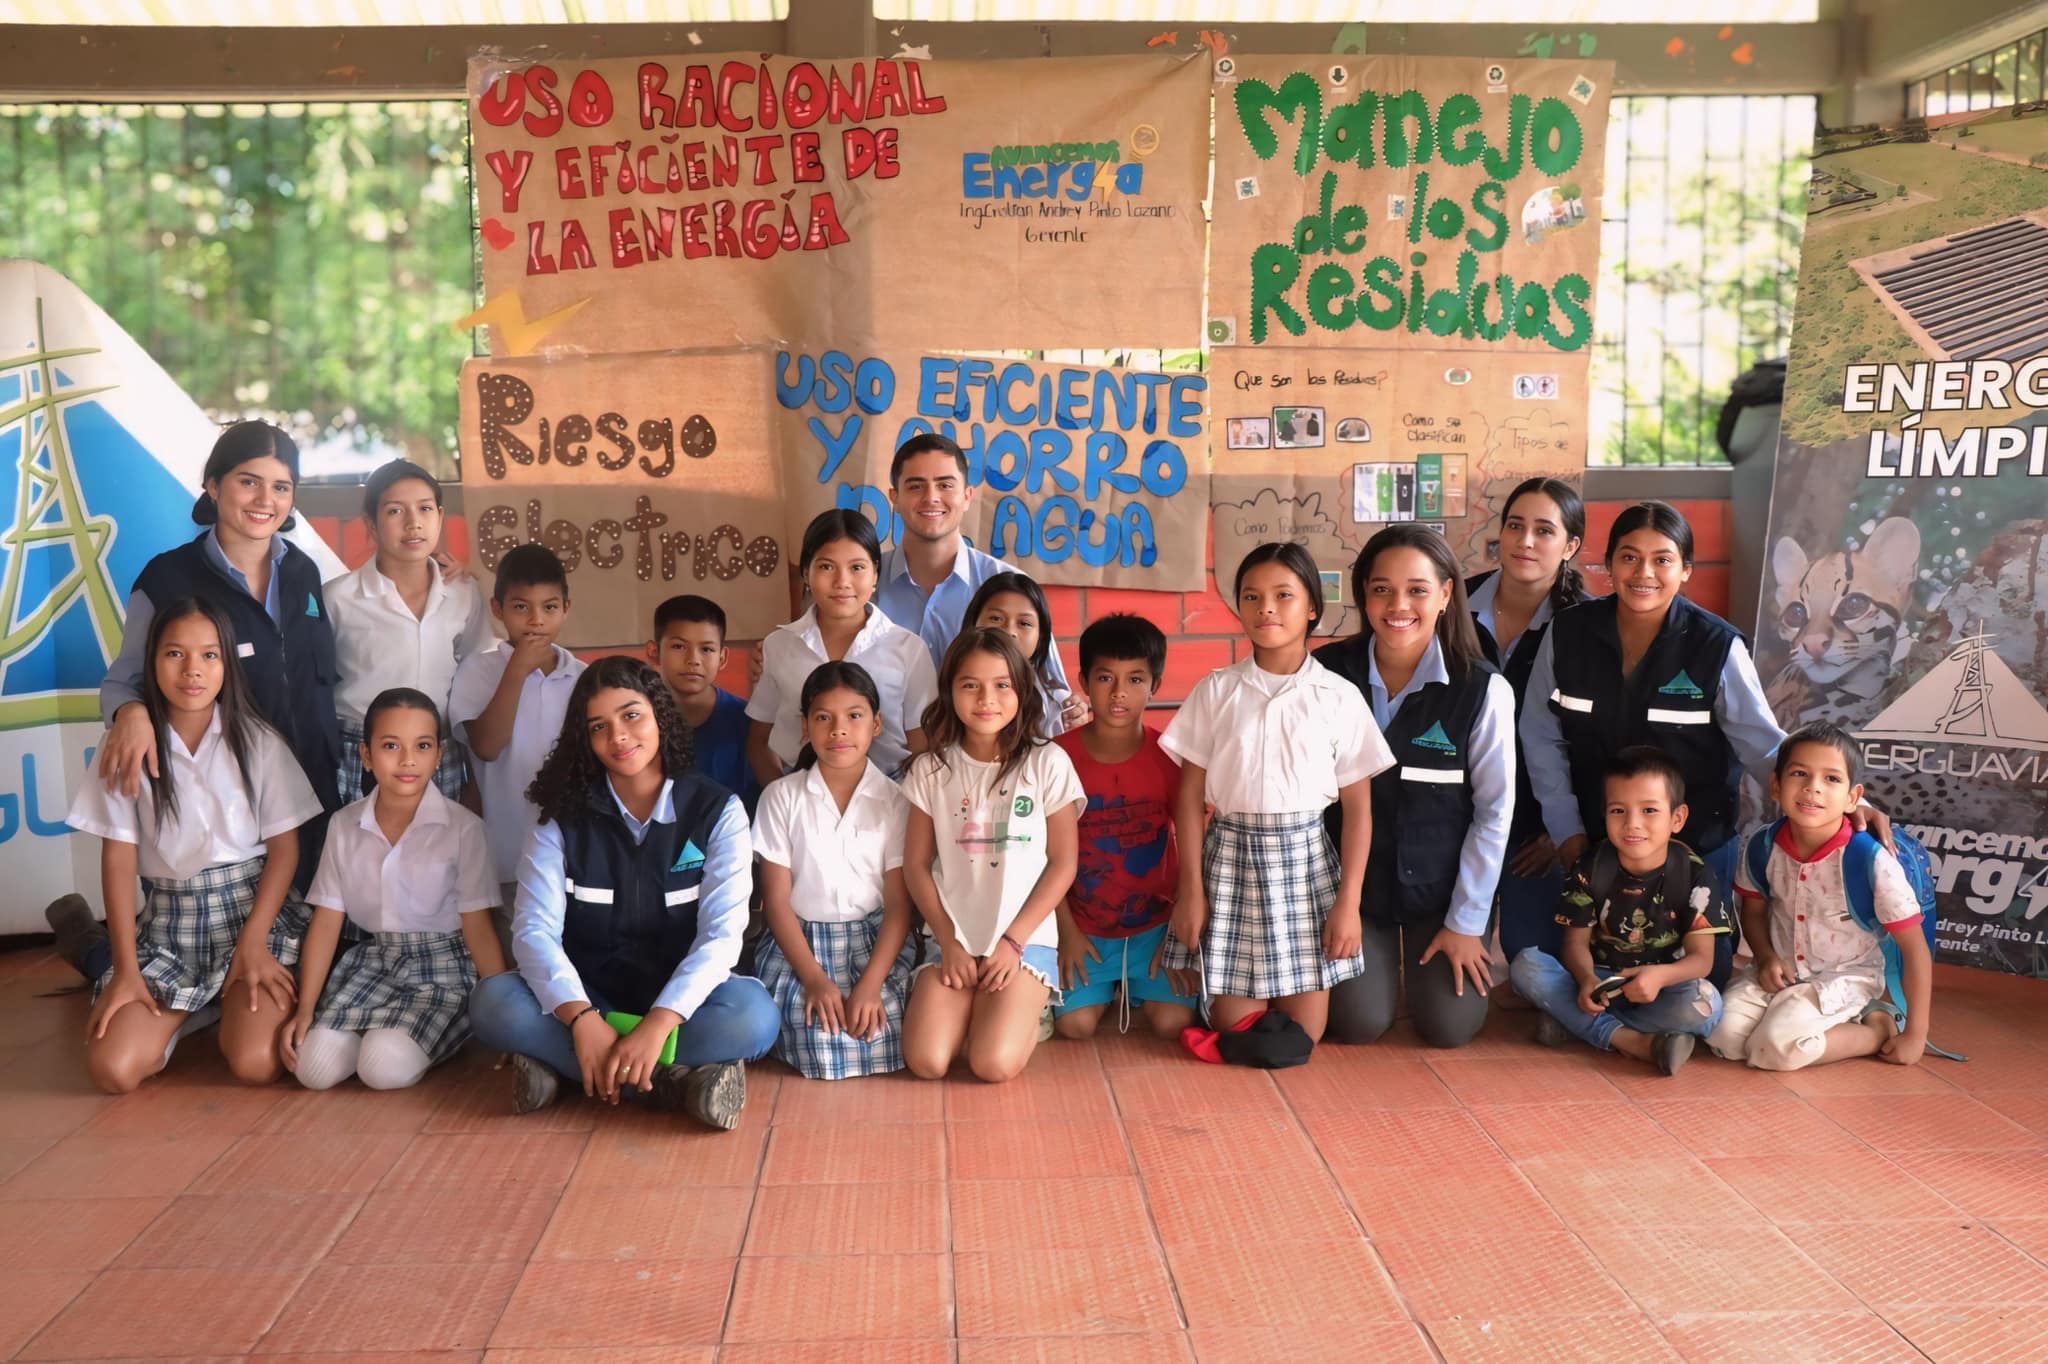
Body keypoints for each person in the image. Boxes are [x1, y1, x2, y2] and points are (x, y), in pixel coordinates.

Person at [1521, 500, 1891, 983]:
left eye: (1663, 560)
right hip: (1598, 840)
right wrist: (1567, 829)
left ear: (1686, 570)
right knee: (1545, 962)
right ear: (1607, 565)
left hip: (1693, 849)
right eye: (1629, 557)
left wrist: (1836, 807)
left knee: (1705, 980)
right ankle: (1607, 1010)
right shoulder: (1567, 634)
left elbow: (1763, 748)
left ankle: (1606, 1018)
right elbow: (1538, 734)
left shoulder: (1715, 646)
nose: (1644, 573)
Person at [467, 656, 777, 1128]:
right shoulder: (559, 818)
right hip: (589, 997)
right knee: (494, 1004)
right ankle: (674, 1081)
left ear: (659, 715)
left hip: (680, 1009)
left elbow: (721, 937)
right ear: (585, 739)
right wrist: (582, 1019)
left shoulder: (716, 810)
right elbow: (533, 931)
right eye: (599, 726)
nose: (618, 737)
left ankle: (578, 1072)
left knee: (753, 1017)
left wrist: (657, 1024)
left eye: (631, 715)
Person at [64, 598, 325, 1093]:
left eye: (209, 656)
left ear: (227, 663)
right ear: (151, 662)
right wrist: (125, 971)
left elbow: (285, 852)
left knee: (256, 1064)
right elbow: (118, 860)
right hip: (169, 929)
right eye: (174, 654)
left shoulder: (257, 740)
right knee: (113, 1071)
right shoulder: (126, 746)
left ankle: (217, 1006)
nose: (193, 671)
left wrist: (253, 942)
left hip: (253, 918)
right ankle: (185, 1009)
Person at [84, 420, 343, 897]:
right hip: (226, 799)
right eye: (249, 482)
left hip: (314, 780)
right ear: (214, 485)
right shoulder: (167, 578)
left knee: (312, 938)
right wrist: (131, 711)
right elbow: (125, 680)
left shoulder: (304, 571)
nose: (266, 500)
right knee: (229, 938)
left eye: (281, 487)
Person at [1162, 542, 1393, 1045]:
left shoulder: (1338, 696)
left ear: (1312, 607)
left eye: (1283, 595)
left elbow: (1358, 811)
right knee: (1237, 1028)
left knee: (1302, 1036)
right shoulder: (1216, 691)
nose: (1266, 607)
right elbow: (1188, 799)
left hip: (1306, 868)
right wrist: (1191, 892)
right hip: (1230, 863)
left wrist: (1348, 903)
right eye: (1251, 596)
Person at [1317, 526, 1516, 1049]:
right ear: (1364, 594)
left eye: (1417, 590)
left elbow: (1493, 815)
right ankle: (1378, 974)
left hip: (1441, 894)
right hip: (1355, 893)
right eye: (1381, 589)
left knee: (1450, 1027)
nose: (1397, 605)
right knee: (1357, 1025)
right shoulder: (1327, 675)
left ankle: (1424, 962)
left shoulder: (1482, 690)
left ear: (1447, 594)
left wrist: (1467, 922)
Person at [284, 688, 506, 1091]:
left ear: (439, 756)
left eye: (422, 746)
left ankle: (451, 1029)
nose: (407, 760)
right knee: (312, 1071)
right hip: (375, 963)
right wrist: (305, 1010)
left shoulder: (463, 829)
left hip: (443, 971)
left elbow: (478, 928)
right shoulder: (344, 825)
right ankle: (382, 1034)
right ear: (366, 756)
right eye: (390, 746)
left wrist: (502, 1014)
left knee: (381, 1068)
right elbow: (327, 921)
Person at [901, 629, 1083, 1083]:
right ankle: (978, 1008)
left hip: (1022, 943)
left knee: (992, 1065)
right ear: (950, 691)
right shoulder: (931, 769)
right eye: (970, 685)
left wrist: (1014, 942)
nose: (987, 698)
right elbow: (916, 866)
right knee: (926, 1062)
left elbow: (1063, 862)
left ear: (1022, 690)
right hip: (954, 940)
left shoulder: (1048, 762)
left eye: (1002, 684)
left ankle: (1016, 1008)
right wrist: (947, 940)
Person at [1709, 722, 1933, 1070]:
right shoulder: (1761, 846)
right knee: (1722, 1037)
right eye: (1800, 774)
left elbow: (1914, 948)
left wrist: (1916, 1035)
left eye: (1831, 779)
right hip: (1779, 972)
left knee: (1778, 1049)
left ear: (1853, 798)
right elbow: (1753, 913)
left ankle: (1877, 1028)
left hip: (1845, 976)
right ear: (1776, 785)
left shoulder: (1869, 860)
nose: (1813, 788)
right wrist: (1766, 958)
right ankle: (1792, 1017)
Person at [1509, 747, 1731, 1075]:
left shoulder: (1695, 875)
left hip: (1660, 988)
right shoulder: (1590, 868)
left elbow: (1702, 960)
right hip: (1602, 984)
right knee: (1526, 967)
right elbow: (1575, 944)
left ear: (1677, 818)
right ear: (1605, 815)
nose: (1632, 824)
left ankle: (1574, 1022)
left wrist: (1660, 976)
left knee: (1706, 1008)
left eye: (1650, 810)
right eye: (1618, 811)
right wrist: (1585, 980)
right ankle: (1632, 1040)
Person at [753, 661, 918, 1079]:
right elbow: (775, 902)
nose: (838, 730)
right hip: (800, 943)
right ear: (805, 727)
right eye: (823, 718)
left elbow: (899, 907)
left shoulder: (896, 801)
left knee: (881, 1017)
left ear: (876, 725)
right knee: (819, 1027)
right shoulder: (780, 797)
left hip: (873, 942)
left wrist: (870, 986)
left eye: (854, 717)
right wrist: (814, 979)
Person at [1051, 615, 1197, 1040]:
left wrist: (1181, 931)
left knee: (1173, 1023)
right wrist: (1066, 932)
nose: (1119, 693)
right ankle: (1111, 985)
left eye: (1135, 679)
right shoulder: (1057, 760)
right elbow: (1045, 856)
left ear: (1155, 684)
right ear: (1083, 681)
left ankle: (1132, 986)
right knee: (1076, 1027)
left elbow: (1191, 844)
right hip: (1084, 927)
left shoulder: (1170, 757)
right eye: (1105, 678)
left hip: (1156, 929)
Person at [1467, 477, 1587, 968]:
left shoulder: (1584, 624)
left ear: (1570, 546)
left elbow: (1588, 740)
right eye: (1515, 526)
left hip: (1537, 827)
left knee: (1529, 970)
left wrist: (1556, 830)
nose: (1525, 542)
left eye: (1544, 530)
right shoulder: (1451, 604)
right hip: (1461, 813)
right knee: (1455, 985)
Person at [326, 459, 493, 804]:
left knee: (436, 853)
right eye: (394, 511)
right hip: (359, 751)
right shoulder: (339, 597)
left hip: (436, 750)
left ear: (441, 517)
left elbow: (479, 668)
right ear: (371, 525)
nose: (414, 523)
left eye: (425, 509)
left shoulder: (463, 592)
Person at [446, 545, 585, 937]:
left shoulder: (583, 678)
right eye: (521, 607)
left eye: (549, 607)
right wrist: (517, 671)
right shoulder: (478, 670)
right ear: (497, 608)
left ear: (566, 609)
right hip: (504, 853)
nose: (536, 621)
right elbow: (487, 746)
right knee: (516, 957)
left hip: (570, 857)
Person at [747, 510, 936, 786]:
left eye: (857, 567)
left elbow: (923, 747)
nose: (842, 582)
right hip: (801, 793)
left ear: (875, 576)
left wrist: (901, 807)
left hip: (891, 796)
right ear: (806, 574)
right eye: (826, 567)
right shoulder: (779, 646)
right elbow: (759, 740)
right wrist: (783, 797)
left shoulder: (908, 649)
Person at [647, 593, 759, 813]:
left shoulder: (747, 722)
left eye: (707, 649)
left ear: (723, 657)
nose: (693, 660)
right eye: (679, 646)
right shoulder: (636, 721)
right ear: (654, 651)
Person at [966, 570, 1073, 738]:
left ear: (1041, 636)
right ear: (974, 623)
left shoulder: (1058, 704)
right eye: (996, 618)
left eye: (1024, 623)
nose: (1009, 631)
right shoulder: (950, 687)